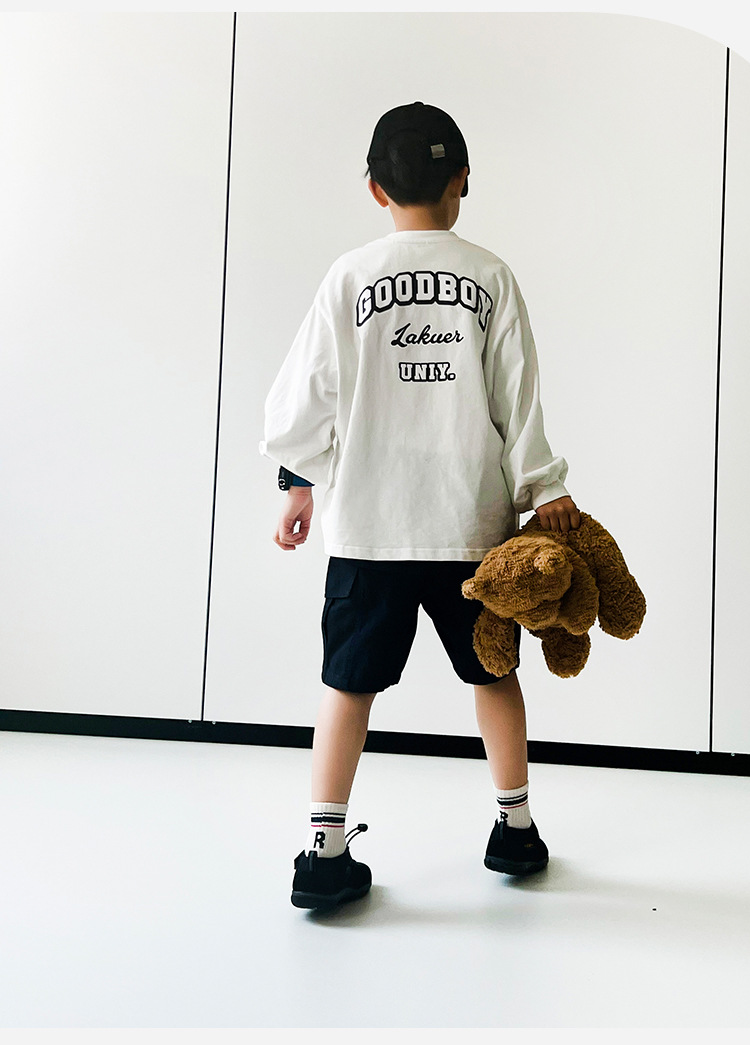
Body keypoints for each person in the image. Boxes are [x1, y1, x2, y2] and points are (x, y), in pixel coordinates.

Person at [259, 101, 581, 911]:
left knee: (347, 685)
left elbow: (310, 389)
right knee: (494, 670)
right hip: (470, 525)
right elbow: (517, 399)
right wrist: (544, 487)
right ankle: (516, 829)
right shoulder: (491, 276)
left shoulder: (349, 276)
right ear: (462, 180)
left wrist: (297, 482)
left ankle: (323, 852)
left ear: (375, 188)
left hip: (369, 528)